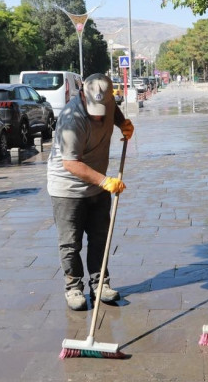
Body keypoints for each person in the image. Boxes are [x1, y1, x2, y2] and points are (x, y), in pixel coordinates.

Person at [47, 73, 135, 311]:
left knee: (100, 237)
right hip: (67, 187)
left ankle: (100, 284)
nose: (98, 115)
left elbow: (114, 111)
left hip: (98, 182)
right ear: (83, 96)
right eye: (93, 108)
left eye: (102, 108)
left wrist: (122, 123)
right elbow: (71, 164)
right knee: (70, 242)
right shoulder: (71, 118)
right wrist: (105, 181)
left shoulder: (107, 101)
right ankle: (74, 287)